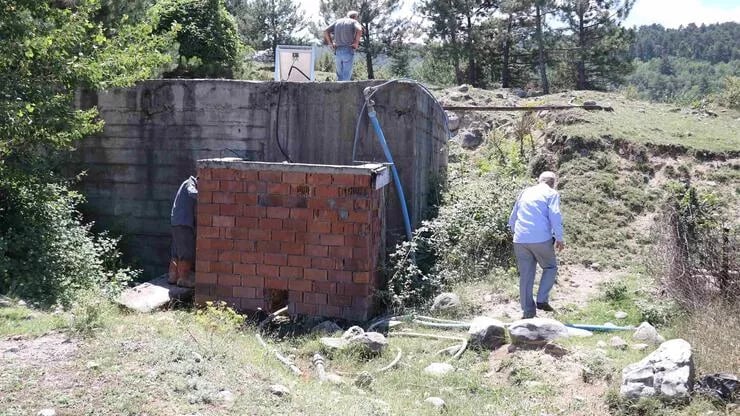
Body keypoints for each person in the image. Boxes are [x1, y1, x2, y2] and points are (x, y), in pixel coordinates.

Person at [508, 171, 565, 319]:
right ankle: (541, 300)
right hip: (541, 238)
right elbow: (555, 215)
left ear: (539, 180)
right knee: (550, 267)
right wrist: (559, 237)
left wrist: (518, 233)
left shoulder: (525, 192)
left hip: (520, 238)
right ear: (553, 182)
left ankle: (528, 312)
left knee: (526, 276)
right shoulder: (551, 194)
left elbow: (512, 218)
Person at [169, 175, 198, 288]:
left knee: (176, 251)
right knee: (186, 253)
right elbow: (193, 193)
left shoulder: (186, 183)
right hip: (184, 222)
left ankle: (173, 277)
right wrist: (210, 196)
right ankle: (183, 279)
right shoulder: (190, 183)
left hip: (177, 221)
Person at [323, 11, 363, 81]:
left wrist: (331, 44)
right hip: (348, 50)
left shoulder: (337, 22)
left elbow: (325, 30)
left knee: (339, 77)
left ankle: (339, 91)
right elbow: (359, 29)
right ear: (355, 17)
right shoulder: (353, 22)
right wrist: (356, 42)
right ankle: (345, 91)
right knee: (346, 77)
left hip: (338, 51)